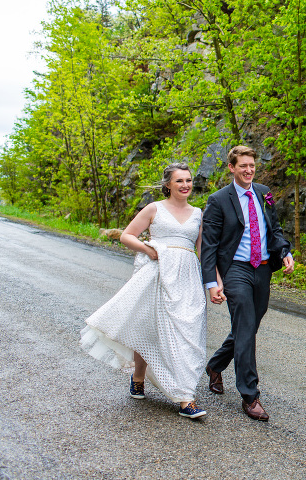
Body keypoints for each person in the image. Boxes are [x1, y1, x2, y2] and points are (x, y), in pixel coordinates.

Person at [80, 163, 208, 419]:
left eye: (189, 180)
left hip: (187, 278)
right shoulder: (154, 208)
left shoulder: (198, 213)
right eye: (180, 181)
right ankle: (170, 392)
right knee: (149, 329)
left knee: (188, 333)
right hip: (158, 275)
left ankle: (183, 391)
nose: (185, 185)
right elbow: (127, 235)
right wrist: (149, 249)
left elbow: (202, 251)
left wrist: (212, 282)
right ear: (168, 184)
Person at [200, 145, 294, 421]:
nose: (249, 170)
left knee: (248, 326)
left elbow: (273, 229)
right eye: (243, 166)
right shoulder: (219, 200)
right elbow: (209, 246)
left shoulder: (265, 193)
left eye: (252, 165)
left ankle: (216, 365)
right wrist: (212, 283)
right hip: (236, 270)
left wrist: (285, 251)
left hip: (263, 268)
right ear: (232, 168)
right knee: (244, 327)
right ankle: (250, 395)